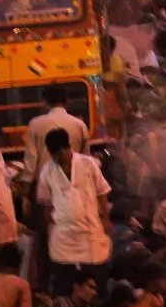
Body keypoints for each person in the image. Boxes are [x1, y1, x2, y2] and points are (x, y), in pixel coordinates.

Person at [35, 126, 114, 294]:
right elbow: (46, 204)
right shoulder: (47, 171)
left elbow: (102, 192)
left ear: (68, 147)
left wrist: (106, 218)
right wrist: (52, 226)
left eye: (59, 154)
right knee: (64, 280)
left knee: (96, 275)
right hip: (64, 236)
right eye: (53, 155)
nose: (56, 158)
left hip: (90, 230)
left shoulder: (87, 163)